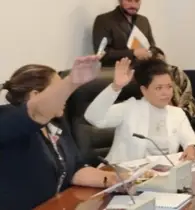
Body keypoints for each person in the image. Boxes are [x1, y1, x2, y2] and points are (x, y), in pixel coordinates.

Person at [0, 56, 126, 210]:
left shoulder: (55, 124)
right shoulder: (7, 120)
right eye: (60, 90)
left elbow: (75, 170)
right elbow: (36, 112)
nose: (66, 96)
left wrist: (113, 180)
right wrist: (72, 81)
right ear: (35, 96)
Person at [84, 58, 195, 163]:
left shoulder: (177, 113)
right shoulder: (129, 109)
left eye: (169, 86)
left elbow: (192, 140)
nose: (166, 93)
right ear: (144, 90)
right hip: (123, 174)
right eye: (159, 88)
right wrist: (115, 87)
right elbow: (93, 117)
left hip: (163, 175)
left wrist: (191, 148)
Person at [93, 0, 156, 67]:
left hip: (143, 70)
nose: (133, 5)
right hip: (114, 71)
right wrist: (133, 53)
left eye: (137, 1)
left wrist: (156, 54)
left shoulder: (143, 21)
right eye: (129, 0)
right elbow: (102, 54)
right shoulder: (104, 20)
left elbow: (152, 47)